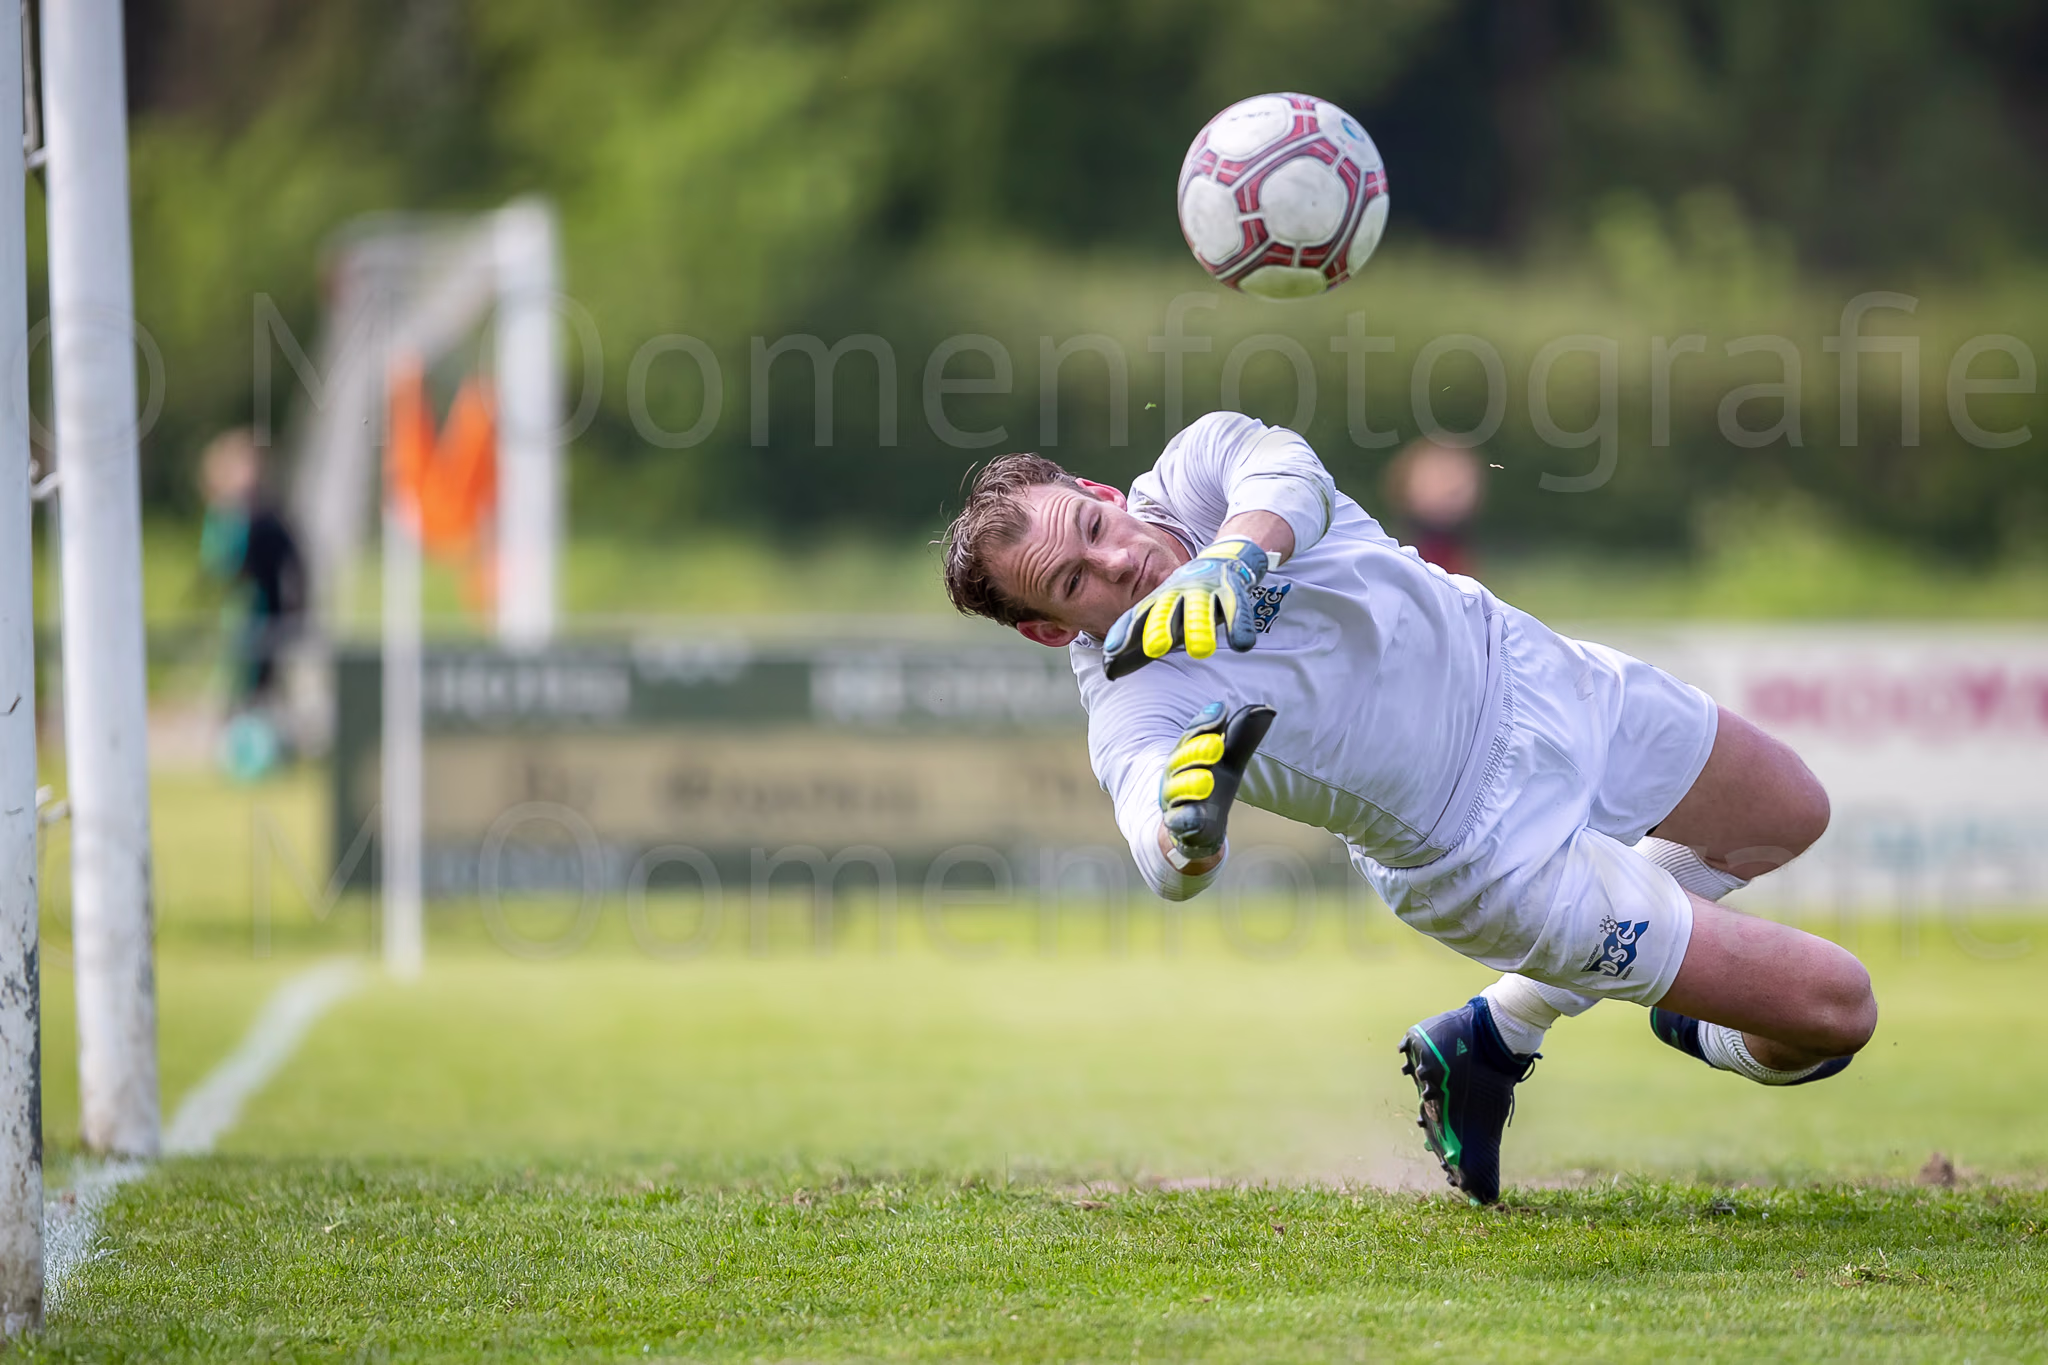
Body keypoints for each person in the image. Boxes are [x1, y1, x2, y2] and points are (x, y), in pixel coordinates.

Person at [937, 411, 1874, 1204]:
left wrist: (1233, 559)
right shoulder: (1130, 697)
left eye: (1093, 526)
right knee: (1836, 1011)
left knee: (1787, 810)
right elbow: (1154, 840)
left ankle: (1495, 1033)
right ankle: (1672, 1003)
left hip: (1535, 674)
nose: (1116, 561)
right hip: (1487, 855)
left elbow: (1288, 473)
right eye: (1073, 582)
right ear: (1048, 628)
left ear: (1101, 491)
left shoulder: (1198, 468)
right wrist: (1187, 830)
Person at [199, 429, 305, 776]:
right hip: (240, 617)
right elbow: (218, 565)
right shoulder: (226, 517)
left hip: (270, 613)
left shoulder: (272, 515)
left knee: (268, 684)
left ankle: (268, 748)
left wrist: (297, 602)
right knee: (238, 685)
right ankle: (234, 750)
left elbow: (294, 561)